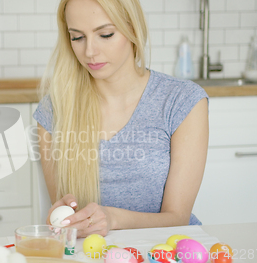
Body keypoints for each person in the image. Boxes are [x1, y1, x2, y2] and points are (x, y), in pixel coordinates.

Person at [33, 0, 209, 238]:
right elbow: (65, 212)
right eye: (77, 37)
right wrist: (64, 216)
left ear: (133, 30)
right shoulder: (54, 111)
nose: (90, 52)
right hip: (94, 252)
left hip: (166, 248)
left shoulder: (182, 101)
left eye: (105, 34)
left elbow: (178, 217)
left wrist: (114, 219)